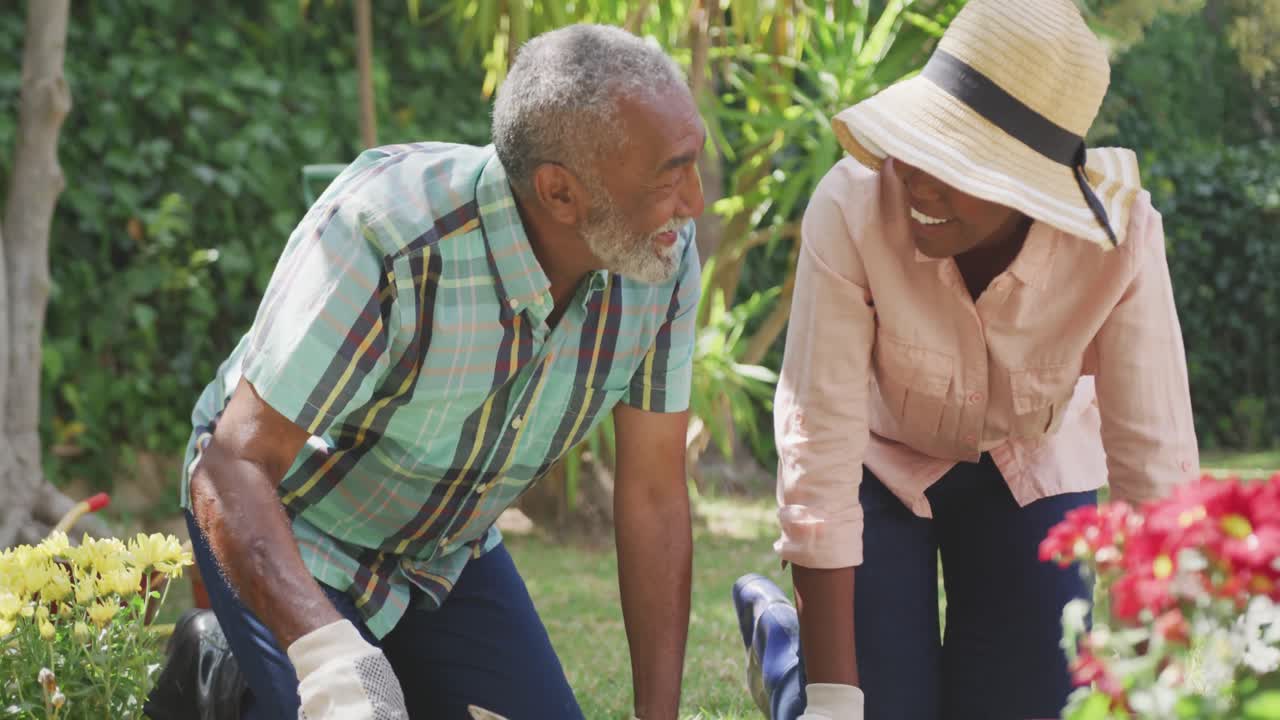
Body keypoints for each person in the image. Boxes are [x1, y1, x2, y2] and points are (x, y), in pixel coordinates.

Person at [181, 23, 706, 720]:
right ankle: (218, 665)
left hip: (444, 552)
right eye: (669, 174)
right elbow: (231, 466)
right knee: (349, 704)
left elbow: (653, 495)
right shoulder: (386, 236)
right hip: (293, 524)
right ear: (560, 194)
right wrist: (330, 660)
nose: (694, 200)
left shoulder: (659, 257)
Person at [730, 1, 1199, 718]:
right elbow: (818, 447)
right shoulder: (851, 206)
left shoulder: (1121, 238)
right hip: (879, 467)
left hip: (1028, 467)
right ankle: (784, 650)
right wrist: (832, 700)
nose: (918, 180)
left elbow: (1153, 464)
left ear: (1035, 186)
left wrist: (1164, 679)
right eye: (919, 143)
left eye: (956, 162)